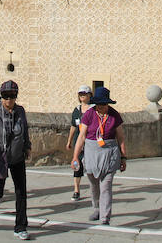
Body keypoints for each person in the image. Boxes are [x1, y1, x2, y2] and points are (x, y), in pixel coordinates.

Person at [0, 80, 31, 239]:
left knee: (21, 192)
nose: (9, 99)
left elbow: (25, 129)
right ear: (1, 97)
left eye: (12, 96)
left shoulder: (20, 111)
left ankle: (21, 226)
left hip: (17, 156)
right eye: (6, 96)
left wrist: (27, 146)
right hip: (0, 156)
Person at [71, 86, 127, 225]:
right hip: (91, 152)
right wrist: (75, 156)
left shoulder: (114, 115)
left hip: (109, 153)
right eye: (99, 104)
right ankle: (96, 208)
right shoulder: (89, 114)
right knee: (93, 184)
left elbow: (120, 137)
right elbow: (82, 136)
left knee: (106, 186)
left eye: (103, 104)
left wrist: (123, 157)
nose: (101, 107)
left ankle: (105, 216)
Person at [65, 85, 92, 199]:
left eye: (84, 94)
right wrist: (69, 141)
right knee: (77, 165)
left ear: (89, 95)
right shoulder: (77, 110)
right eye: (80, 94)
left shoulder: (93, 109)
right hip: (78, 142)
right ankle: (76, 190)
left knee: (92, 166)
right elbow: (73, 126)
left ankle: (95, 189)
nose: (82, 96)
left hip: (90, 141)